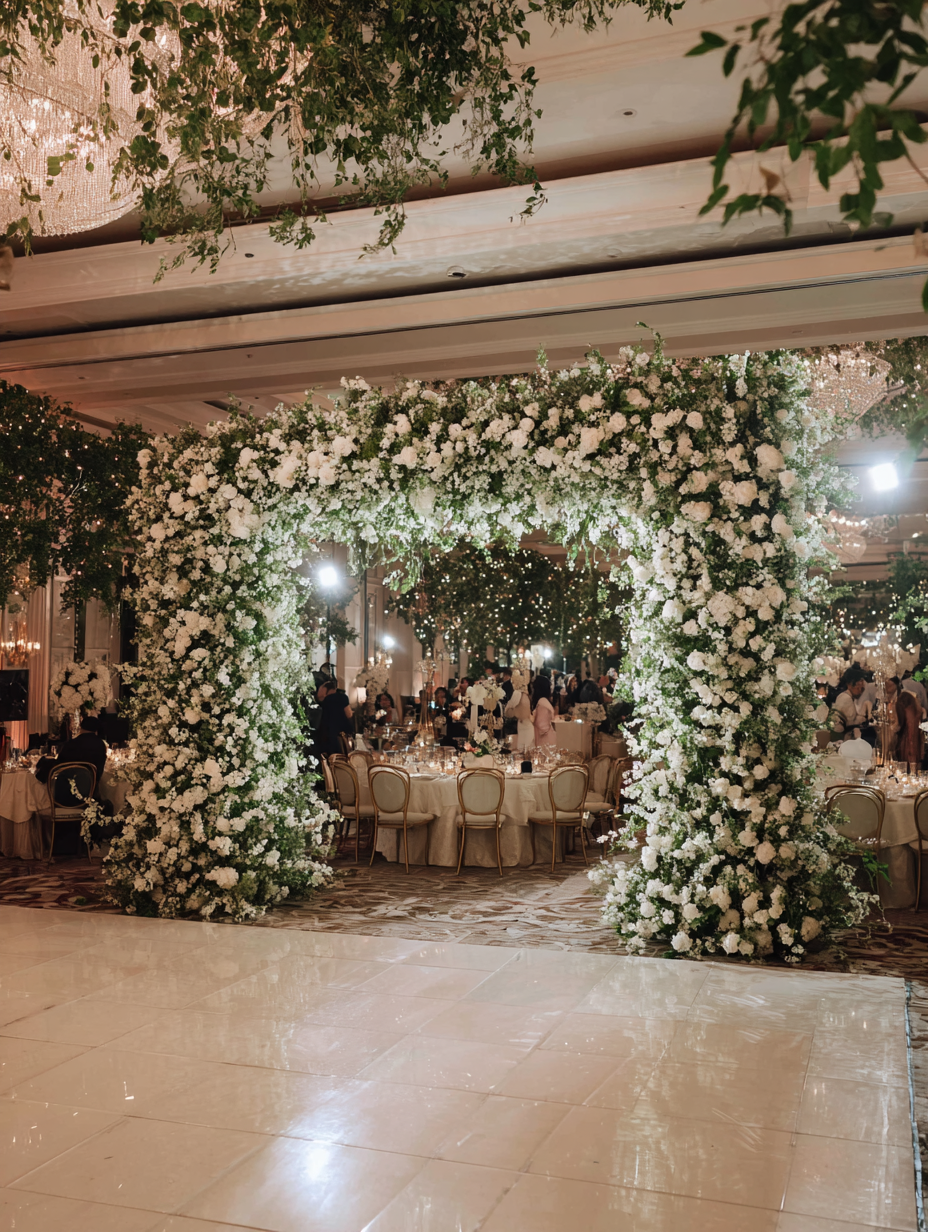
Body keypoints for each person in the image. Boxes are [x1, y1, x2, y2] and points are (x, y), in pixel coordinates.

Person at [37, 713, 108, 804]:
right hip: (90, 790)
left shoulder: (72, 743)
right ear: (96, 729)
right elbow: (99, 769)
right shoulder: (100, 745)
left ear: (81, 727)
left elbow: (60, 764)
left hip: (66, 793)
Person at [832, 669, 873, 742]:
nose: (860, 692)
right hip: (840, 738)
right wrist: (864, 716)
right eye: (858, 688)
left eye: (862, 689)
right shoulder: (846, 698)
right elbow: (851, 723)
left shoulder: (845, 696)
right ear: (849, 685)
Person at [317, 677, 354, 756]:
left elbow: (319, 696)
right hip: (340, 734)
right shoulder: (342, 697)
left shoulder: (324, 702)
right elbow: (349, 714)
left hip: (326, 735)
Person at [896, 688, 925, 767]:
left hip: (908, 747)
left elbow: (908, 731)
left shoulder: (906, 710)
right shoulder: (918, 711)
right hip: (917, 748)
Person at [532, 674, 557, 747]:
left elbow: (542, 724)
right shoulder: (544, 701)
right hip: (547, 737)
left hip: (545, 740)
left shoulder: (542, 701)